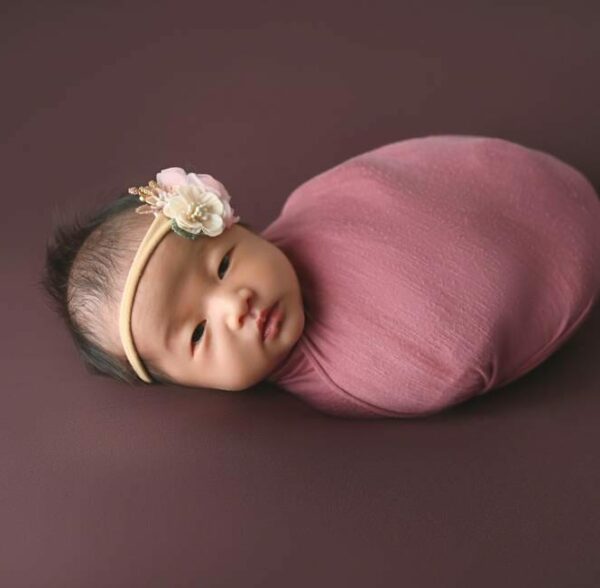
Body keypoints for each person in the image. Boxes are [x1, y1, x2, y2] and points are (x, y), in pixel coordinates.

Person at [41, 135, 600, 418]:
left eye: (225, 263)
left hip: (516, 186)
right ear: (186, 384)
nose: (233, 304)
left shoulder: (318, 203)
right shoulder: (356, 372)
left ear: (239, 226)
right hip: (554, 271)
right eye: (196, 334)